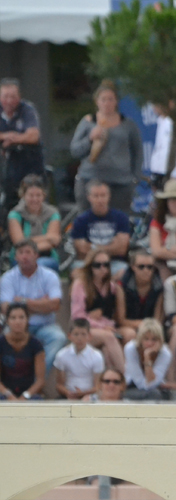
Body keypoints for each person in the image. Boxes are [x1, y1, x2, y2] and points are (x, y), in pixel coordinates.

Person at [70, 80, 143, 213]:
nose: (107, 103)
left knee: (118, 221)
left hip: (120, 183)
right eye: (103, 99)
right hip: (90, 179)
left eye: (110, 99)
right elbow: (75, 150)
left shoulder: (128, 124)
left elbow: (137, 152)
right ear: (97, 101)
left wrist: (135, 179)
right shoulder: (88, 122)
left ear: (116, 102)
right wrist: (90, 139)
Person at [0, 239, 66, 372]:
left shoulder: (50, 276)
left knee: (59, 338)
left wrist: (22, 302)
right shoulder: (7, 278)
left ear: (36, 255)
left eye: (28, 252)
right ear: (16, 257)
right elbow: (6, 308)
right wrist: (42, 304)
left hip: (45, 326)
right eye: (21, 253)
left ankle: (36, 378)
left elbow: (55, 305)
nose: (24, 256)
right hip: (17, 326)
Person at [70, 250, 132, 372]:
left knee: (128, 335)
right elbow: (77, 316)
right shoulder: (80, 285)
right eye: (97, 265)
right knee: (108, 336)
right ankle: (126, 374)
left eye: (106, 265)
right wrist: (101, 326)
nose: (102, 268)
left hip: (108, 327)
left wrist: (106, 325)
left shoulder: (112, 287)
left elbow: (117, 316)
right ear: (90, 266)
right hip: (85, 329)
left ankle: (116, 377)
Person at [0, 78, 45, 210]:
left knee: (32, 207)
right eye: (5, 96)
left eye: (13, 96)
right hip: (5, 173)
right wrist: (7, 135)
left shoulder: (27, 109)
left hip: (30, 169)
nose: (9, 101)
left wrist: (14, 140)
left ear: (19, 97)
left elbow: (34, 136)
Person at [71, 180, 131, 277]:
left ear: (109, 196)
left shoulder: (121, 218)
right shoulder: (80, 220)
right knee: (77, 272)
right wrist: (111, 246)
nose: (100, 200)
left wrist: (93, 247)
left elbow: (122, 249)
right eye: (96, 196)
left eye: (103, 195)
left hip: (115, 262)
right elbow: (81, 250)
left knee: (124, 272)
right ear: (89, 197)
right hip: (88, 262)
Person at [7, 174, 61, 271]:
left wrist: (28, 241)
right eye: (31, 195)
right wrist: (46, 237)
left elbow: (55, 240)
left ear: (43, 196)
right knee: (28, 265)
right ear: (23, 196)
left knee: (40, 264)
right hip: (21, 258)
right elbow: (19, 243)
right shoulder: (15, 214)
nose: (35, 199)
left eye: (38, 195)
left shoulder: (53, 213)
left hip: (47, 257)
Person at [0, 303, 45, 400]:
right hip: (4, 394)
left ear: (27, 320)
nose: (17, 321)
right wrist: (9, 395)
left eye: (21, 317)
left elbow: (40, 380)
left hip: (28, 394)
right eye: (13, 318)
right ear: (7, 321)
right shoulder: (1, 343)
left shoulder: (36, 345)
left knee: (38, 400)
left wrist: (25, 396)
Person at [53, 318, 104, 400]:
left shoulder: (97, 356)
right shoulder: (61, 355)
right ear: (69, 336)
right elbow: (59, 384)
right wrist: (68, 393)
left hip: (90, 396)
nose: (79, 338)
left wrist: (83, 393)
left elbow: (97, 386)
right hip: (68, 395)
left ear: (89, 336)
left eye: (83, 334)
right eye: (76, 334)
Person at [118, 250, 164, 336]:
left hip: (150, 328)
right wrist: (146, 325)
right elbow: (121, 320)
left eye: (150, 267)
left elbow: (158, 319)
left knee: (154, 334)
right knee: (130, 334)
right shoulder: (122, 286)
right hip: (128, 327)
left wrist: (148, 327)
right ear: (133, 267)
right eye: (141, 267)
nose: (146, 270)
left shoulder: (159, 286)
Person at [123, 319, 172, 400]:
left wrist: (147, 358)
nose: (150, 343)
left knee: (156, 394)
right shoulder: (130, 348)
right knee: (153, 394)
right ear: (140, 339)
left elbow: (151, 384)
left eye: (154, 339)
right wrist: (147, 357)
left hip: (154, 390)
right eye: (146, 339)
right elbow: (141, 384)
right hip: (131, 386)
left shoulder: (165, 353)